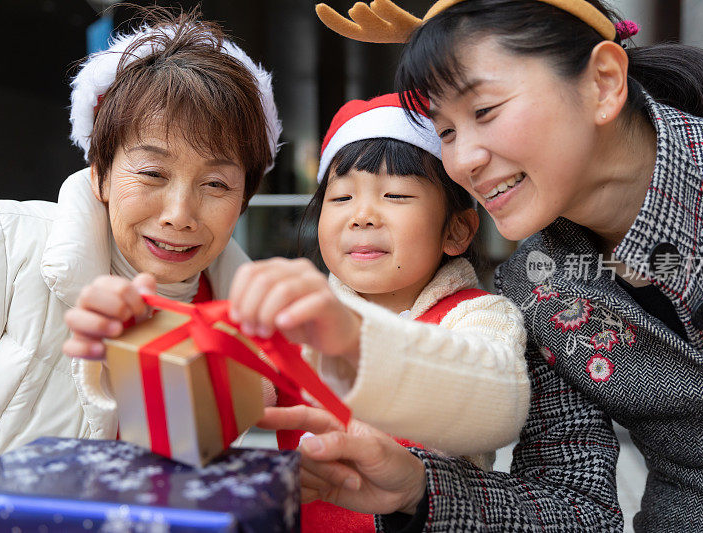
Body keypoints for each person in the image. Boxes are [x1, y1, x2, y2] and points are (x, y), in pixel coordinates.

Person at [257, 0, 703, 530]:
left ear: (603, 82)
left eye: (484, 111)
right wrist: (420, 489)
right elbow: (575, 507)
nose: (464, 160)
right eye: (445, 131)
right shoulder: (540, 288)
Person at [0, 8, 281, 474]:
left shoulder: (247, 334)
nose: (178, 215)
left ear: (244, 195)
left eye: (216, 185)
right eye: (152, 173)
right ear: (100, 174)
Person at [225, 93, 530, 531]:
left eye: (396, 194)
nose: (363, 215)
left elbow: (495, 401)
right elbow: (223, 402)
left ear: (457, 229)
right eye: (342, 197)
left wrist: (350, 341)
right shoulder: (294, 320)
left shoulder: (479, 316)